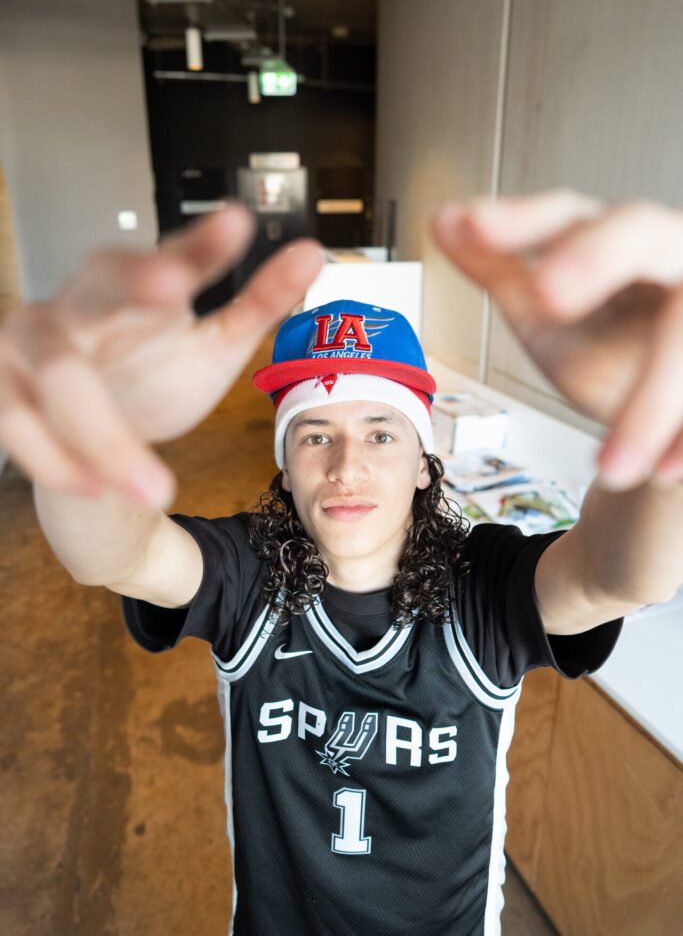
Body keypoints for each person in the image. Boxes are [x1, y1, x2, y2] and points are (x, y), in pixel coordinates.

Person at [1, 190, 681, 935]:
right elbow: (117, 552)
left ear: (426, 463)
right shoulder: (248, 574)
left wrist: (661, 438)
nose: (346, 466)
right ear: (284, 469)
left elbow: (619, 575)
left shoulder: (482, 584)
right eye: (314, 435)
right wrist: (88, 442)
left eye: (382, 434)